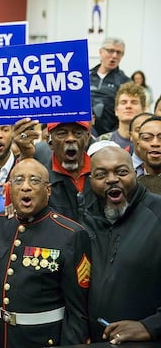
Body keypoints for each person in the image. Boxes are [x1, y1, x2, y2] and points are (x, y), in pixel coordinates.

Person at [0, 159, 90, 347]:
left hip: (44, 338)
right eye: (18, 180)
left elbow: (77, 310)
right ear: (10, 189)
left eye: (35, 181)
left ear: (48, 190)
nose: (26, 187)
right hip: (0, 336)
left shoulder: (70, 234)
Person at [84, 146, 161, 344]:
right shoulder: (82, 216)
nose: (111, 179)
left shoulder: (158, 213)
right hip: (92, 340)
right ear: (90, 180)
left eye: (121, 172)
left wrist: (151, 326)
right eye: (101, 174)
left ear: (136, 174)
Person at [14, 119, 94, 221]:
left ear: (87, 138)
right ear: (50, 142)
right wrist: (25, 156)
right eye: (62, 134)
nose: (70, 139)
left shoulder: (101, 173)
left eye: (77, 133)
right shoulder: (40, 181)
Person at [90, 37, 130, 136]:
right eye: (110, 51)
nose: (114, 56)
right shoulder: (84, 76)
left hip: (109, 135)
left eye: (119, 52)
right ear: (101, 52)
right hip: (83, 132)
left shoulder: (125, 82)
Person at [97, 82, 145, 150]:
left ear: (143, 110)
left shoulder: (152, 143)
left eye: (134, 102)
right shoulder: (101, 143)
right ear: (116, 110)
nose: (128, 106)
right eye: (123, 102)